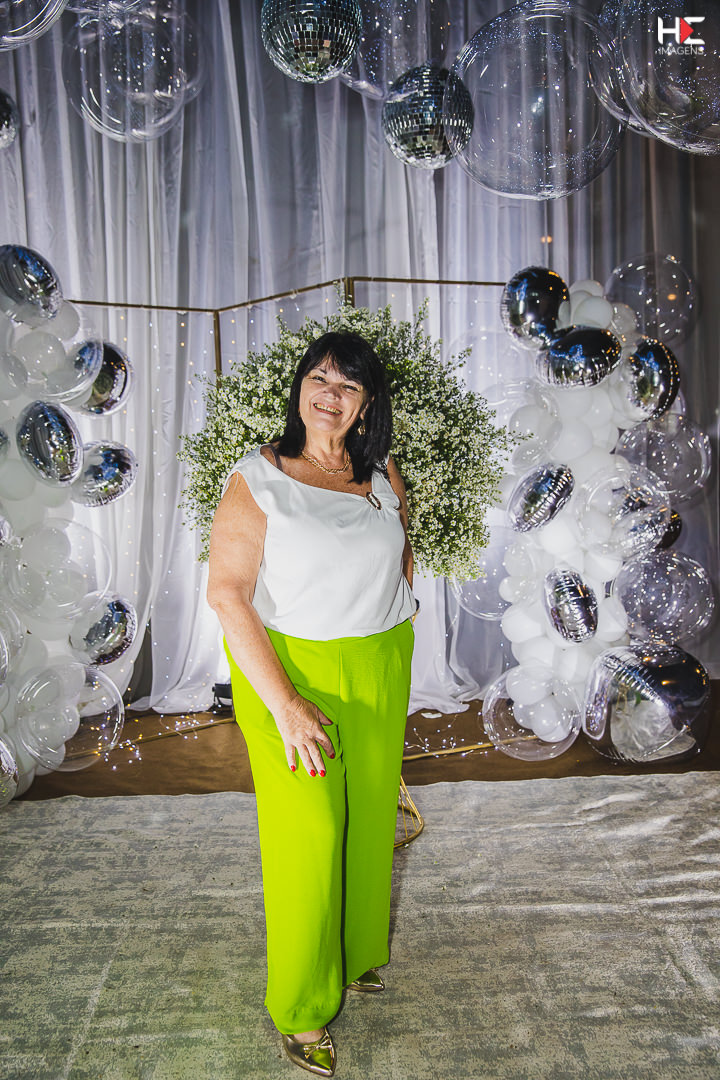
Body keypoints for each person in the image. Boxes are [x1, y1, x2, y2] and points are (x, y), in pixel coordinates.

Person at [207, 330, 416, 1077]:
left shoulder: (381, 470)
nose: (330, 394)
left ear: (366, 403)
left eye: (348, 385)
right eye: (320, 378)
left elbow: (400, 551)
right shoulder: (258, 478)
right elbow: (227, 596)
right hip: (290, 672)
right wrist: (287, 704)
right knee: (310, 833)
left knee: (366, 818)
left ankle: (354, 954)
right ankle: (299, 1009)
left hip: (379, 662)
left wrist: (399, 617)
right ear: (300, 387)